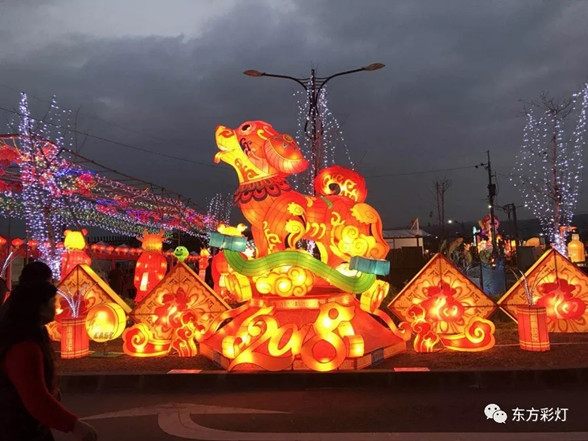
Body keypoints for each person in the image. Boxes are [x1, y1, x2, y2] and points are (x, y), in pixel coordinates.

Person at [0, 276, 98, 440]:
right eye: (53, 303)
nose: (57, 307)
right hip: (18, 428)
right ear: (39, 308)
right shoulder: (24, 347)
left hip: (27, 425)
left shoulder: (31, 334)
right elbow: (36, 398)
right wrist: (74, 425)